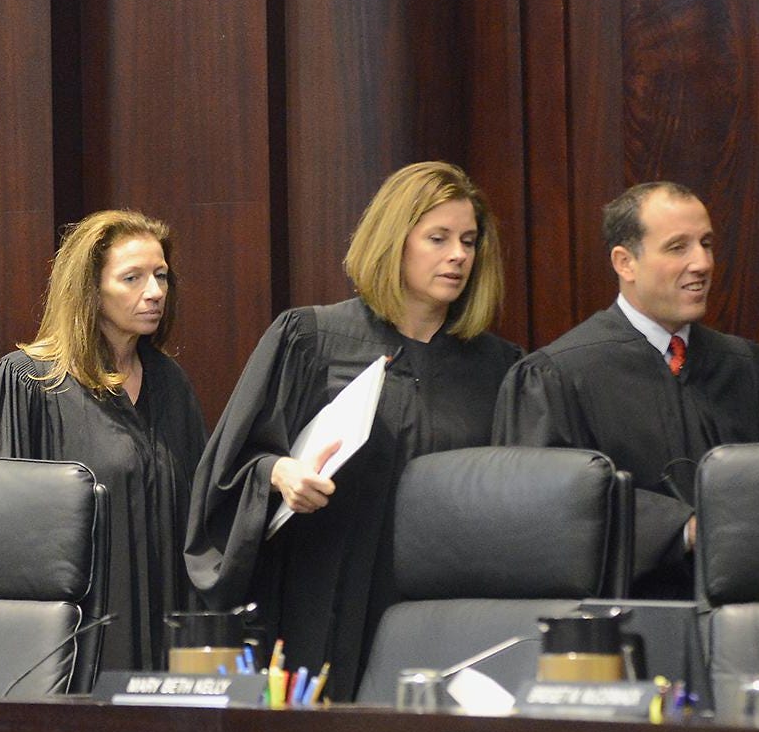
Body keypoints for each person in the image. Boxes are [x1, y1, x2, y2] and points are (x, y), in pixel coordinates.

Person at [186, 161, 520, 701]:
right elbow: (228, 469)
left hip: (444, 611)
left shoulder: (499, 369)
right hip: (324, 599)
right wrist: (281, 474)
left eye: (468, 240)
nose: (458, 255)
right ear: (394, 242)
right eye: (438, 238)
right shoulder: (313, 340)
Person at [493, 182, 759, 595]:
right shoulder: (558, 376)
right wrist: (679, 529)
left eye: (706, 243)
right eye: (678, 247)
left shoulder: (750, 368)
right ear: (625, 262)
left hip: (749, 607)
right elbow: (544, 510)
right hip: (625, 615)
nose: (702, 263)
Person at [0, 210, 206, 670]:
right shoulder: (27, 383)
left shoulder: (171, 384)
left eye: (161, 276)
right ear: (89, 289)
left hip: (162, 639)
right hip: (69, 648)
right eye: (132, 278)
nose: (154, 292)